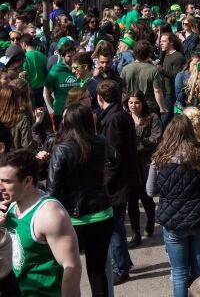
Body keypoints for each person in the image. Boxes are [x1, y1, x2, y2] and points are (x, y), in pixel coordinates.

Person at [146, 116, 200, 297]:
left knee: (179, 273)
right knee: (199, 270)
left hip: (173, 222)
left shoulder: (159, 159)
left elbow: (150, 190)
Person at [48, 104, 115, 296]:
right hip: (102, 213)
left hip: (73, 219)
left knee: (70, 270)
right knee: (97, 271)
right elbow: (115, 160)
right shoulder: (101, 142)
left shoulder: (61, 150)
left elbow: (53, 190)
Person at [0, 150, 82, 297]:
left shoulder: (50, 215)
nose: (0, 187)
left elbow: (72, 267)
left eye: (6, 181)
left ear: (27, 181)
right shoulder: (11, 206)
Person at [95, 79, 138, 285]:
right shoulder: (119, 116)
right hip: (123, 180)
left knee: (115, 228)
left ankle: (120, 268)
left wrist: (104, 182)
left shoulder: (113, 120)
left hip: (116, 184)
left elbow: (112, 157)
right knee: (117, 226)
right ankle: (124, 262)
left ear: (100, 98)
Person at [124, 90, 161, 247]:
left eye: (137, 102)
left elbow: (156, 138)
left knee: (146, 197)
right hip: (130, 164)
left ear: (142, 103)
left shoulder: (152, 117)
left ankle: (151, 220)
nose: (133, 106)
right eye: (131, 102)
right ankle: (135, 232)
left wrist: (139, 142)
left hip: (146, 163)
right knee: (132, 200)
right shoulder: (125, 117)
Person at [121, 40, 168, 115]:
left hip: (131, 106)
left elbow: (122, 89)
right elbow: (157, 91)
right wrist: (162, 108)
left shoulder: (125, 69)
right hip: (149, 106)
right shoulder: (153, 70)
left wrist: (124, 104)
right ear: (149, 54)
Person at [159, 32, 185, 125]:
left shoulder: (178, 57)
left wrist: (161, 70)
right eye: (161, 41)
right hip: (163, 91)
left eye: (164, 41)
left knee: (165, 120)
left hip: (171, 93)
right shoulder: (164, 54)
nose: (161, 43)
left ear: (171, 42)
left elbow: (177, 76)